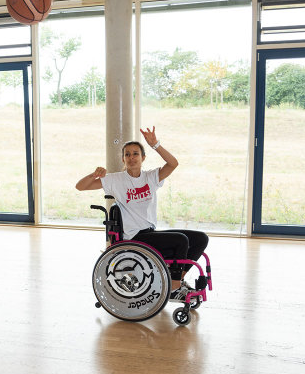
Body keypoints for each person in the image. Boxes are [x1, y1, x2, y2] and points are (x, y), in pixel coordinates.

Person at [75, 127, 209, 299]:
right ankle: (174, 288)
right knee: (180, 240)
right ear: (123, 159)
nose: (131, 158)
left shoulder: (151, 177)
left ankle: (176, 280)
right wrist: (94, 174)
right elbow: (80, 186)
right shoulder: (115, 180)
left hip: (149, 232)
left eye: (135, 154)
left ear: (143, 158)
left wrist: (156, 145)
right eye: (128, 154)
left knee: (200, 238)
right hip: (134, 236)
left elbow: (173, 164)